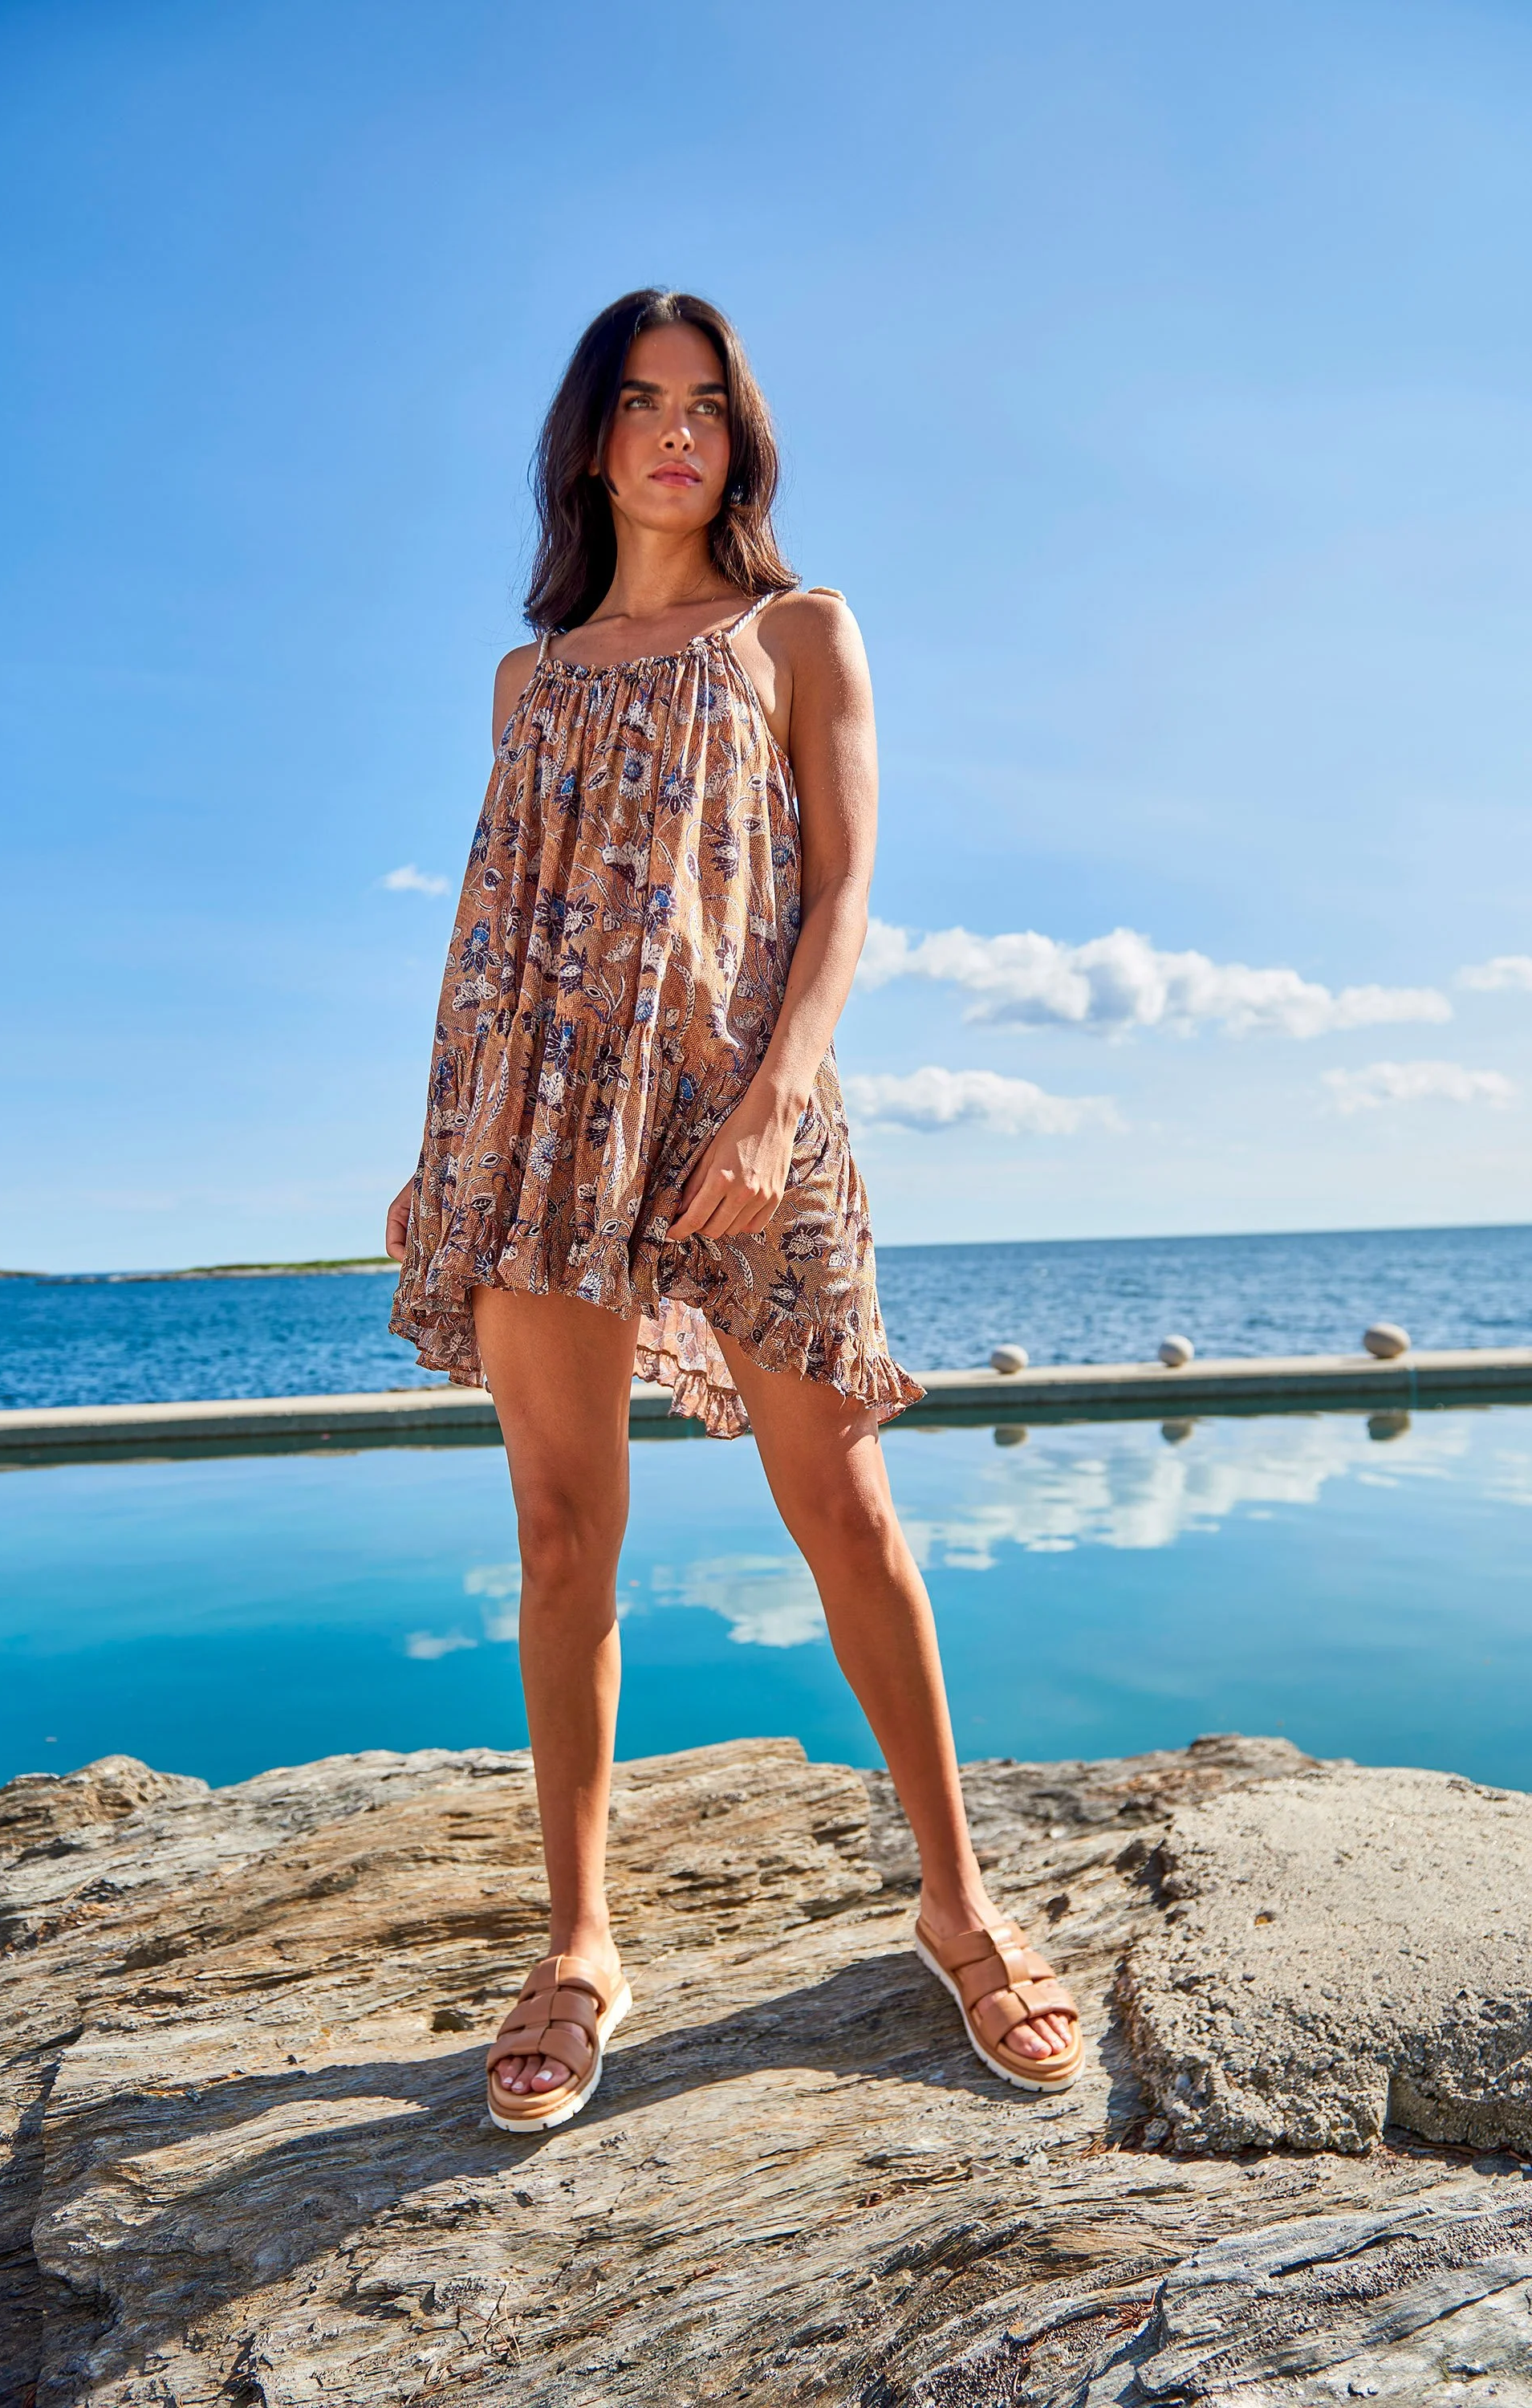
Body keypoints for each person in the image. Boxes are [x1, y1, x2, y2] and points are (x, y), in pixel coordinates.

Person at [385, 290, 1081, 2133]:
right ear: (590, 441)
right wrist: (443, 1147)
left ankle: (956, 1904)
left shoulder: (797, 630)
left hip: (747, 1111)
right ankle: (579, 1945)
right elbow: (496, 933)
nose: (674, 432)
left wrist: (774, 1102)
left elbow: (841, 890)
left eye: (704, 404)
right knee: (559, 1534)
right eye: (639, 402)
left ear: (741, 436)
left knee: (845, 1510)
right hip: (539, 1129)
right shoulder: (527, 679)